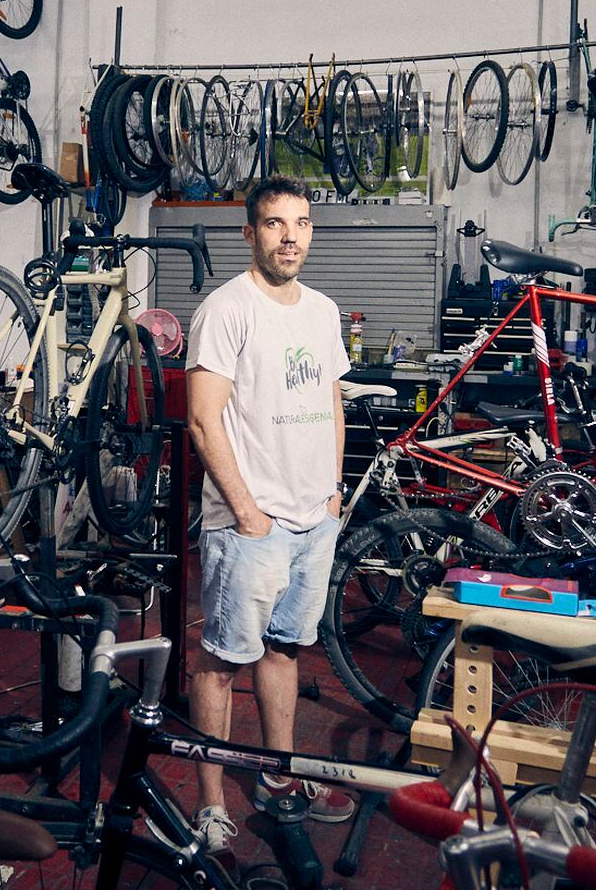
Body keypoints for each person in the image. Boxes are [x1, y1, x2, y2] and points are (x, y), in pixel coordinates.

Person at [184, 176, 356, 864]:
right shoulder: (225, 309)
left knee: (285, 650)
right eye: (275, 223)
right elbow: (202, 418)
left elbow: (332, 400)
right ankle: (212, 802)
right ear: (249, 233)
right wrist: (248, 511)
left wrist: (334, 491)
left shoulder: (322, 310)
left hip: (314, 517)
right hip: (251, 524)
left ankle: (278, 774)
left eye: (302, 223)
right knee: (223, 660)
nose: (291, 235)